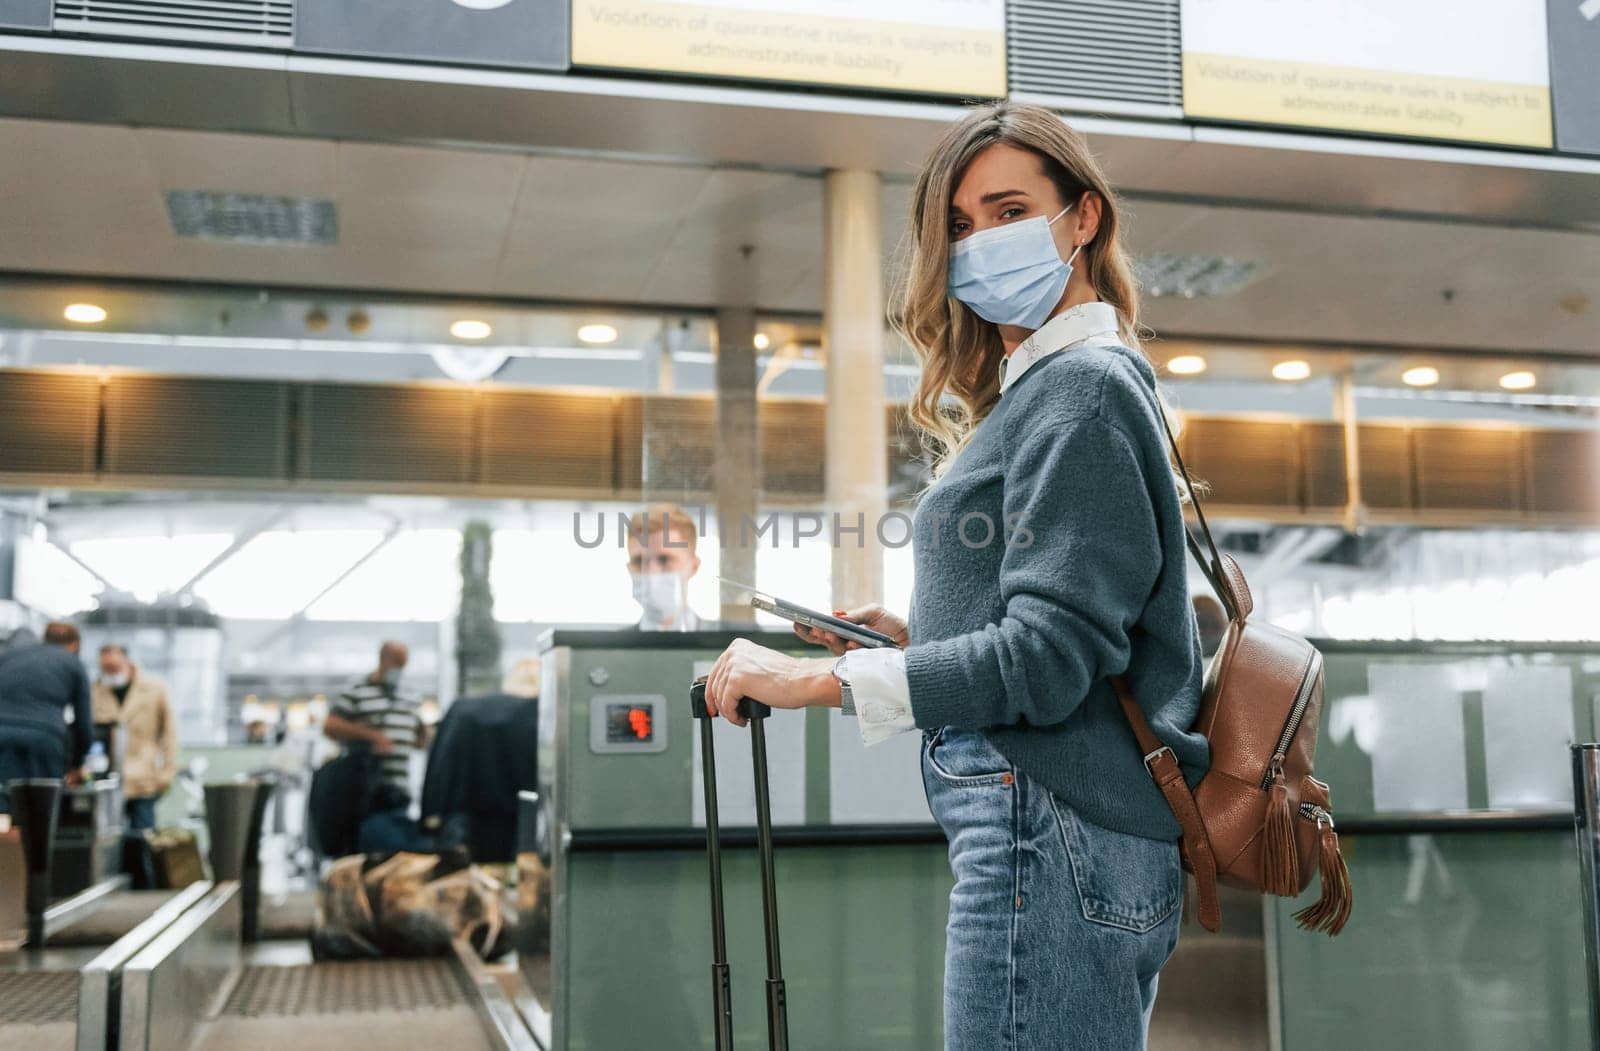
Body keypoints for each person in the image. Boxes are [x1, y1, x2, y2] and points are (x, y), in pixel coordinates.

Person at [699, 101, 1210, 1050]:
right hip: (1060, 835)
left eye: (1010, 211)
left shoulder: (1082, 390)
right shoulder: (1057, 390)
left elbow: (1051, 660)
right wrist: (919, 636)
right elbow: (1058, 625)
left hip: (1046, 828)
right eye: (961, 228)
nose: (981, 247)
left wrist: (825, 679)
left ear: (1085, 217)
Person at [0, 622, 92, 814]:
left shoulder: (9, 656)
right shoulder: (72, 662)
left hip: (2, 734)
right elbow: (84, 724)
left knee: (4, 808)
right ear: (75, 645)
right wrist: (76, 765)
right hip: (45, 739)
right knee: (41, 813)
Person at [323, 641, 423, 813]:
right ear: (383, 660)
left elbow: (418, 735)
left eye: (402, 665)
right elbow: (330, 726)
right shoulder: (356, 690)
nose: (399, 670)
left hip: (399, 789)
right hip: (364, 789)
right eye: (396, 663)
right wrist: (372, 736)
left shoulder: (409, 695)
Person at [92, 643, 177, 832]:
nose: (111, 671)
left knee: (142, 837)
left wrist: (167, 772)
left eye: (115, 666)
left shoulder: (155, 689)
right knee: (109, 839)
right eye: (106, 668)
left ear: (127, 661)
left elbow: (170, 734)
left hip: (144, 778)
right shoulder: (95, 692)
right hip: (107, 780)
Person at [623, 504, 707, 631]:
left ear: (693, 567)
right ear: (629, 568)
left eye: (664, 560)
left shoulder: (727, 643)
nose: (650, 573)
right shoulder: (611, 648)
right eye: (639, 561)